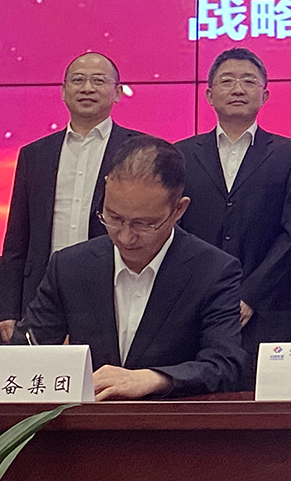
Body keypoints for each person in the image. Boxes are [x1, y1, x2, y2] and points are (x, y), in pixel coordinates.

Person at [16, 135, 246, 399]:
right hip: (88, 419)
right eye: (113, 218)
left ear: (179, 210)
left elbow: (225, 366)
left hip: (172, 419)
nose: (125, 237)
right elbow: (23, 351)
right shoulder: (70, 267)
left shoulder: (213, 271)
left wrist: (155, 378)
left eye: (143, 224)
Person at [0, 52, 141, 343]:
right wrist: (8, 309)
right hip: (43, 292)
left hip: (116, 289)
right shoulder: (35, 154)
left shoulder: (140, 150)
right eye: (78, 80)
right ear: (63, 91)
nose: (87, 88)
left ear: (117, 92)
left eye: (98, 80)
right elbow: (17, 238)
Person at [177, 47, 291, 372]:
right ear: (209, 95)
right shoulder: (180, 155)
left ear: (264, 95)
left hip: (268, 307)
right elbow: (172, 229)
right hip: (193, 307)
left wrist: (250, 295)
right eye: (227, 81)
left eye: (248, 81)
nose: (237, 89)